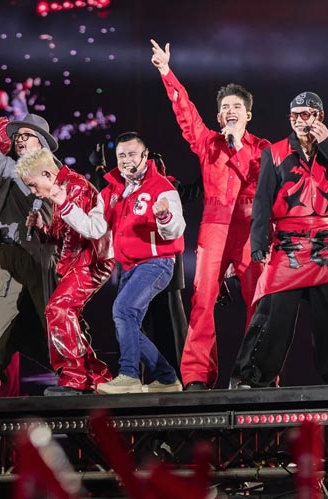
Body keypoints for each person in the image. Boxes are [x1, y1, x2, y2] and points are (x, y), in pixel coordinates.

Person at [229, 92, 328, 388]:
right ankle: (251, 376)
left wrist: (327, 144)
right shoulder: (275, 152)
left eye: (306, 114)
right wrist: (258, 242)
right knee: (272, 313)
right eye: (294, 115)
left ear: (320, 116)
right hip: (288, 242)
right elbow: (262, 201)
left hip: (325, 242)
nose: (299, 121)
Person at [151, 39, 270, 391]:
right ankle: (197, 375)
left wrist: (238, 145)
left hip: (250, 228)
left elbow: (261, 182)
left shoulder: (264, 149)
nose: (230, 111)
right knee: (202, 299)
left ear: (247, 115)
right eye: (225, 107)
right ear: (219, 117)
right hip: (214, 228)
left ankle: (254, 373)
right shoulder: (207, 143)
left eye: (237, 106)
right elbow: (185, 112)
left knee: (260, 300)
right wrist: (166, 71)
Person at [51, 132, 186, 394]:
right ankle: (166, 378)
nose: (126, 160)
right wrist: (64, 204)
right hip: (129, 267)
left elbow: (176, 230)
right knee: (126, 323)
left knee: (123, 311)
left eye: (132, 154)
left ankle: (129, 376)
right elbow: (94, 228)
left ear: (145, 156)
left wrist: (164, 216)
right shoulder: (112, 190)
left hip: (156, 263)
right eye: (121, 155)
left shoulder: (162, 188)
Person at [0, 75, 59, 399]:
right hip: (5, 254)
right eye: (18, 135)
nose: (20, 140)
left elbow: (57, 214)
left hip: (38, 255)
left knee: (54, 314)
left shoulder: (53, 172)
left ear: (41, 142)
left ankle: (73, 374)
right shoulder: (4, 166)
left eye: (27, 135)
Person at [17, 148, 114, 395]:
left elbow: (82, 232)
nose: (33, 192)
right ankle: (97, 377)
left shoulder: (75, 187)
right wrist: (43, 228)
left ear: (47, 174)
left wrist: (65, 266)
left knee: (58, 309)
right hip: (79, 260)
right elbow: (65, 234)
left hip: (91, 260)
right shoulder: (62, 188)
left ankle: (74, 378)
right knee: (70, 318)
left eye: (33, 185)